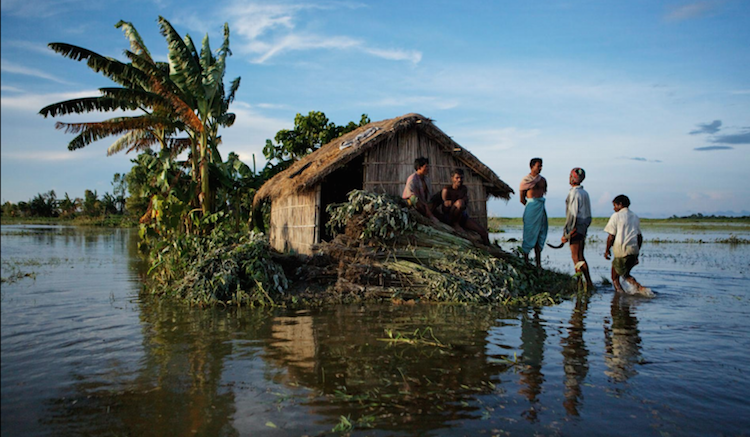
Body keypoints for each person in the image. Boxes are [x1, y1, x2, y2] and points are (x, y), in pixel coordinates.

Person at [604, 195, 650, 294]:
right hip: (633, 250)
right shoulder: (634, 216)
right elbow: (639, 237)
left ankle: (622, 294)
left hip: (621, 251)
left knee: (615, 277)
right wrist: (637, 252)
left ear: (620, 205)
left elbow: (611, 236)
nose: (614, 208)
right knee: (625, 275)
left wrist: (607, 250)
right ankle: (636, 290)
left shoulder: (616, 216)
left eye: (615, 205)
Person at [437, 168, 490, 244]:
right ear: (452, 179)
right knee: (459, 203)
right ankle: (455, 224)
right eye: (457, 178)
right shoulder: (446, 190)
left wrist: (461, 202)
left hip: (462, 217)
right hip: (450, 217)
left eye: (461, 178)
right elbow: (445, 209)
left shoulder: (463, 189)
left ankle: (489, 248)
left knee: (483, 232)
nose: (459, 180)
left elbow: (464, 204)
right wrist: (453, 204)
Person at [562, 167, 594, 288]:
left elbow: (572, 214)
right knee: (581, 256)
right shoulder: (584, 193)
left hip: (575, 228)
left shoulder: (574, 193)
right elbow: (588, 216)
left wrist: (568, 233)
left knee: (576, 257)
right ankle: (588, 282)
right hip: (582, 228)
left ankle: (580, 283)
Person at [519, 158, 548, 268]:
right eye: (538, 166)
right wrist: (531, 205)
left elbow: (543, 192)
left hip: (540, 207)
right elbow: (522, 199)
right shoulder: (526, 180)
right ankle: (526, 261)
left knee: (540, 233)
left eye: (541, 166)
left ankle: (538, 263)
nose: (540, 168)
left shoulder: (542, 180)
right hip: (531, 207)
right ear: (532, 166)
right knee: (529, 232)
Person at [402, 156, 440, 224]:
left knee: (440, 195)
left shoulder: (427, 179)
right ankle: (428, 215)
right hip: (416, 204)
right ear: (419, 167)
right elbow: (410, 195)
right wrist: (423, 204)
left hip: (425, 203)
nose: (428, 169)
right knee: (414, 199)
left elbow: (429, 195)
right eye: (426, 167)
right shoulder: (412, 179)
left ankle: (429, 212)